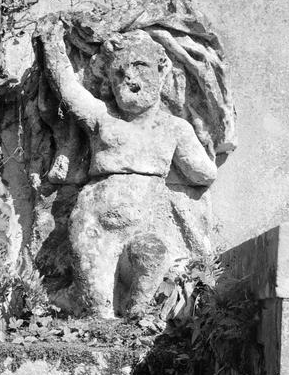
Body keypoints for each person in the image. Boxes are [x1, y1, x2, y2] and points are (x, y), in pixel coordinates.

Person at [38, 17, 217, 318]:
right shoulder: (102, 117)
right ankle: (73, 302)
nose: (130, 78)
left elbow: (205, 173)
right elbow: (68, 90)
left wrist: (198, 148)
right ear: (109, 82)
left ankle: (137, 322)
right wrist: (51, 46)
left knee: (151, 260)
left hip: (146, 226)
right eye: (119, 72)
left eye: (140, 66)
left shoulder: (175, 129)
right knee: (98, 311)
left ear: (161, 71)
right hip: (95, 225)